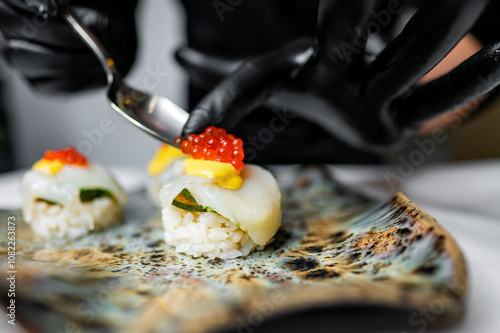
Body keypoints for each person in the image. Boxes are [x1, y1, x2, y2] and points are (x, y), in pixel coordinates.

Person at [0, 0, 499, 164]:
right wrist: (75, 30)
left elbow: (469, 36)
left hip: (388, 164)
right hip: (214, 140)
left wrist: (412, 95)